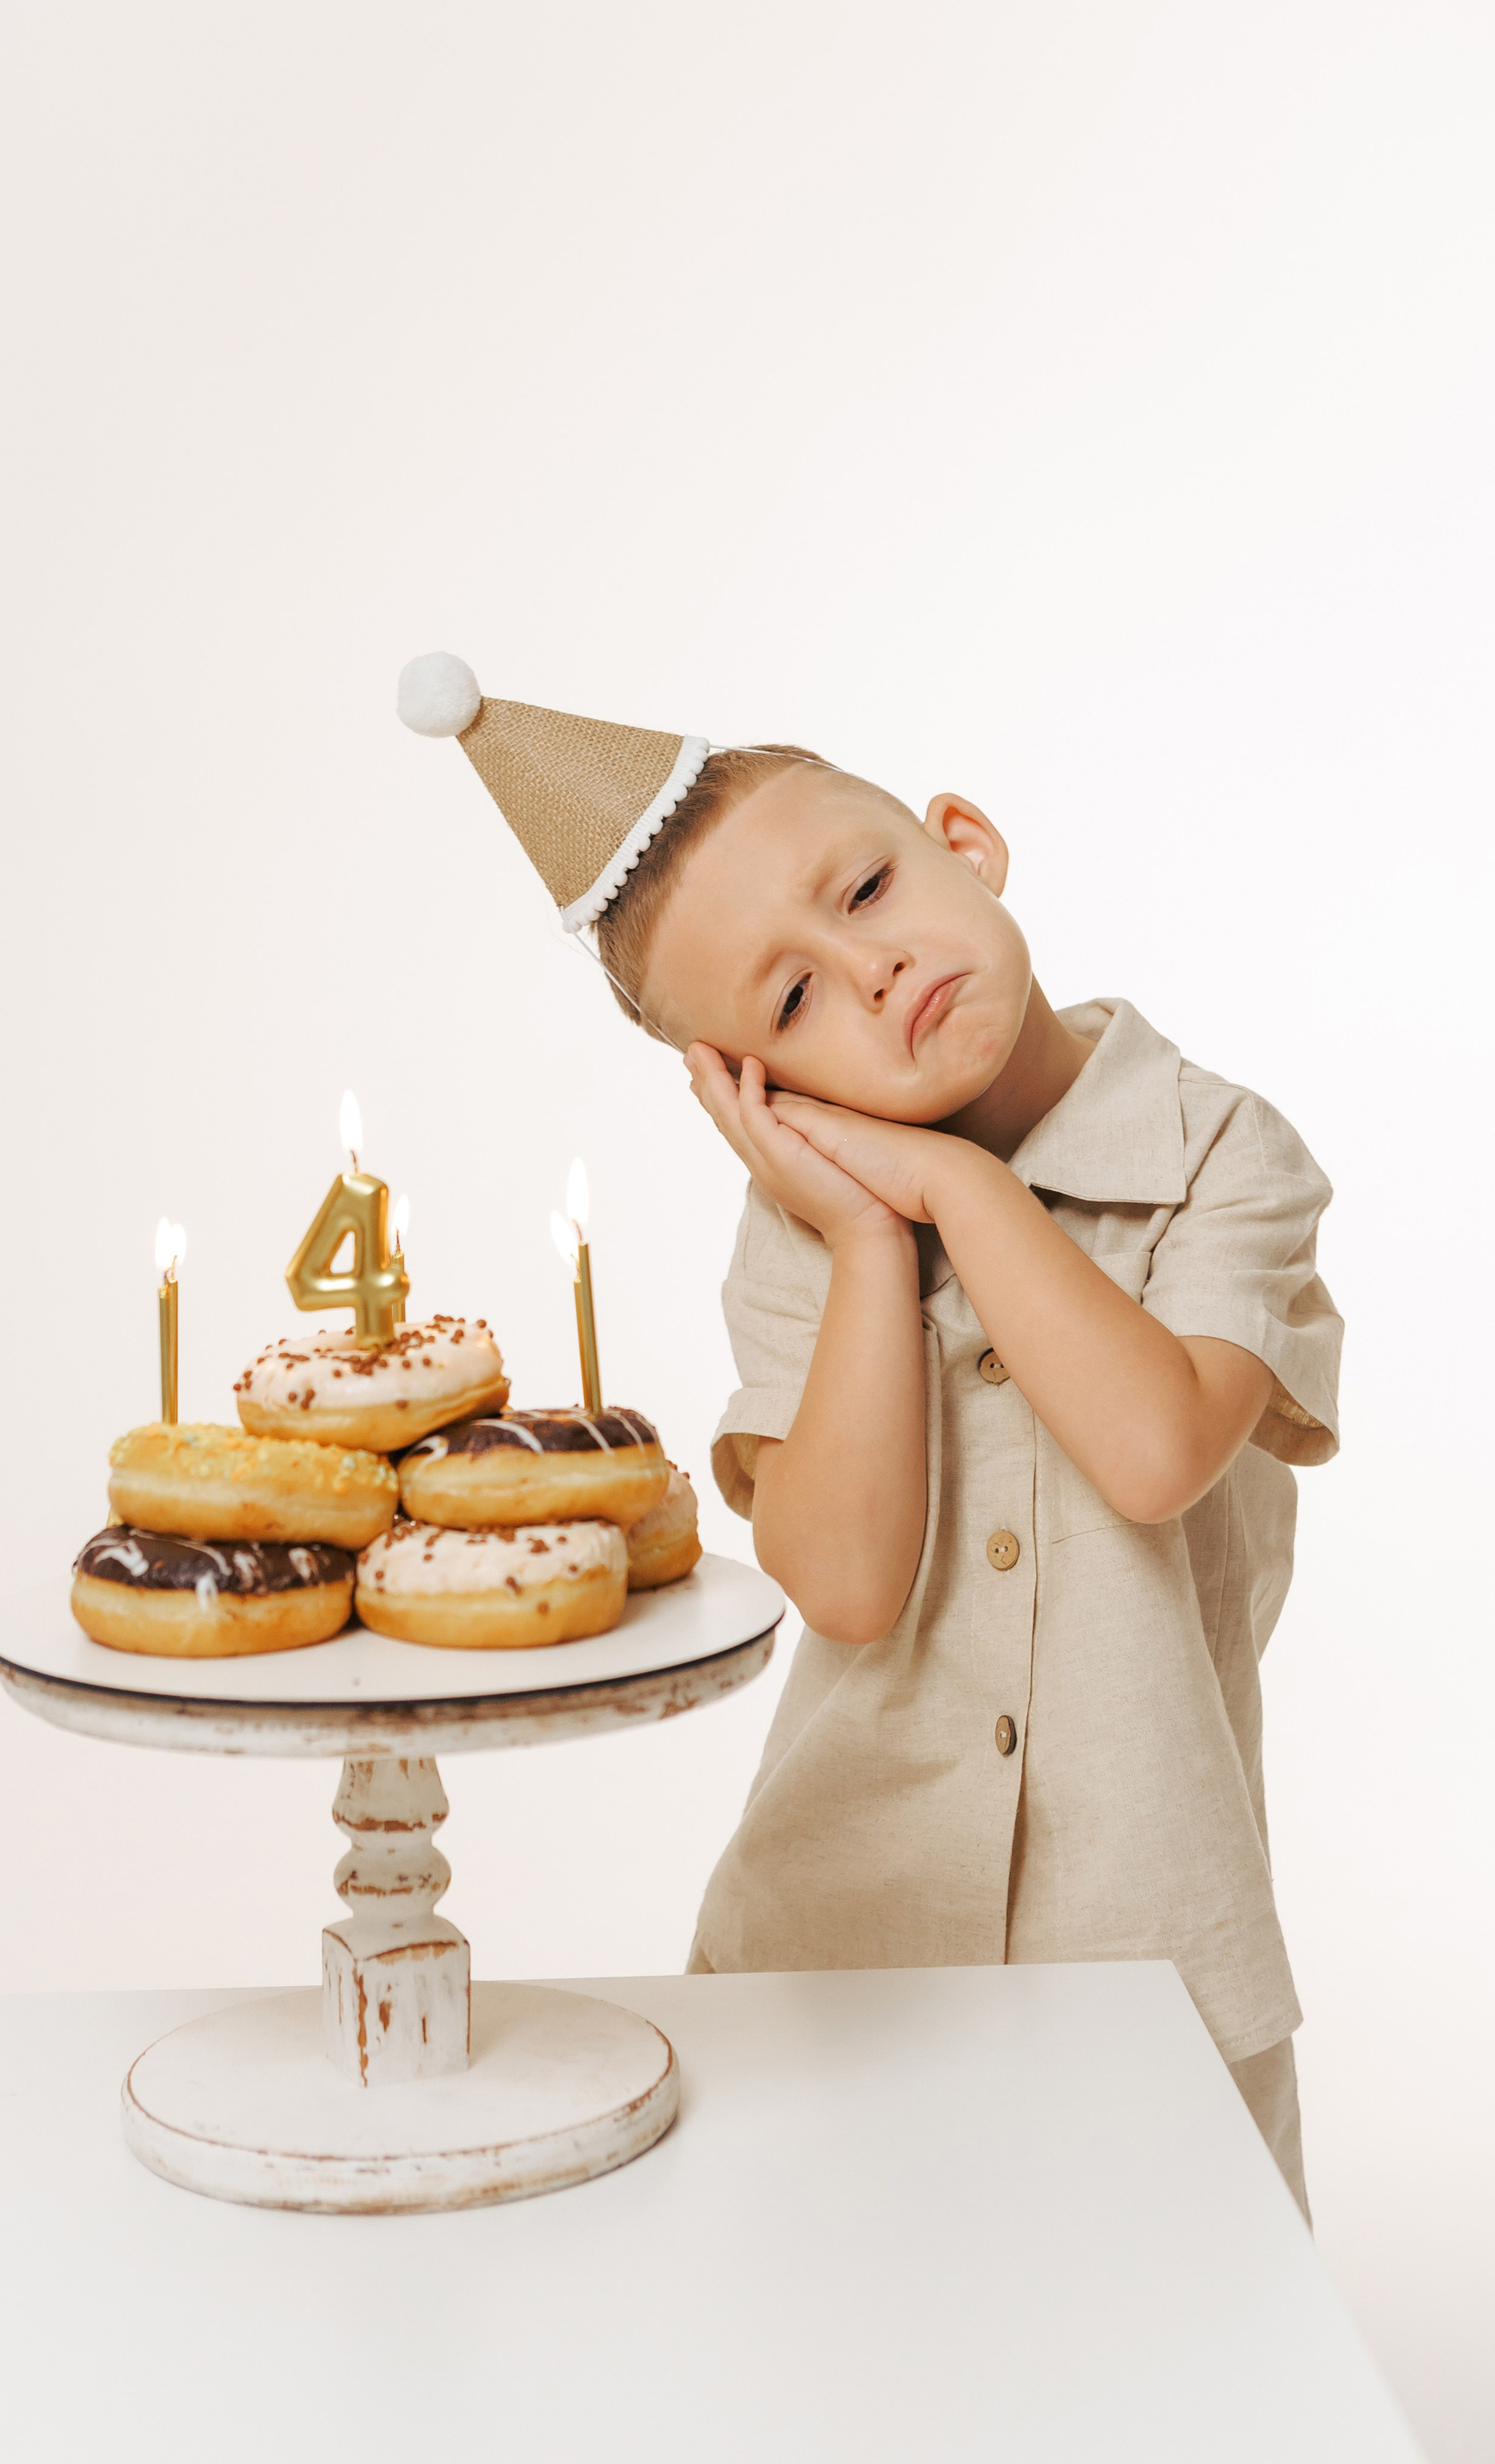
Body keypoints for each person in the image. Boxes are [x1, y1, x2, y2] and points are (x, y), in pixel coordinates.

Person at [396, 659, 1342, 2222]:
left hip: (1158, 1955)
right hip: (837, 1957)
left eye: (868, 889)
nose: (873, 966)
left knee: (1197, 2330)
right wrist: (862, 1240)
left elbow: (1157, 1447)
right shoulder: (806, 1241)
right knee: (819, 2325)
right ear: (757, 1092)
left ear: (964, 840)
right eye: (792, 1001)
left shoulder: (1219, 1151)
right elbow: (842, 1582)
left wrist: (960, 1186)